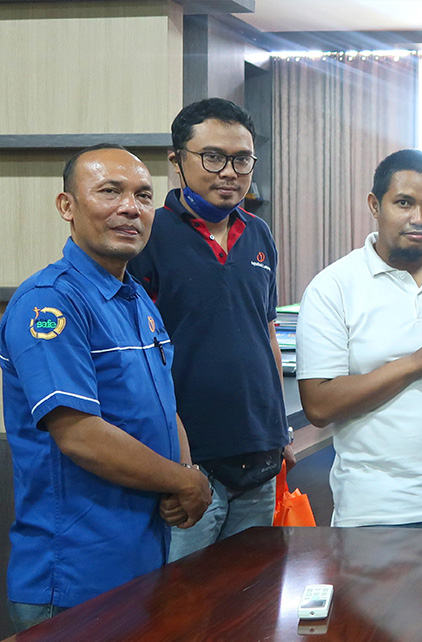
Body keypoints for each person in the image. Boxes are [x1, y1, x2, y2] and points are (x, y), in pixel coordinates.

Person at [0, 145, 212, 631]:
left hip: (144, 562)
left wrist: (185, 470)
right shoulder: (49, 303)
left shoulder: (135, 297)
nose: (130, 208)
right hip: (75, 578)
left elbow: (164, 404)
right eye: (110, 192)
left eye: (143, 195)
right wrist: (184, 482)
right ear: (67, 206)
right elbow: (80, 435)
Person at [295, 149, 422, 529]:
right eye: (403, 203)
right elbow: (318, 406)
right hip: (376, 513)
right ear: (375, 205)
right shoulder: (333, 286)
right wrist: (417, 361)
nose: (418, 218)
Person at [128, 99, 291, 560]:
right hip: (190, 466)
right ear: (176, 160)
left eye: (242, 160)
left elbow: (266, 333)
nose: (230, 173)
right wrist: (178, 466)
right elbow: (140, 361)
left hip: (259, 456)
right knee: (185, 597)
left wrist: (279, 430)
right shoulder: (149, 235)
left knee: (250, 592)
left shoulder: (258, 233)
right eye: (213, 157)